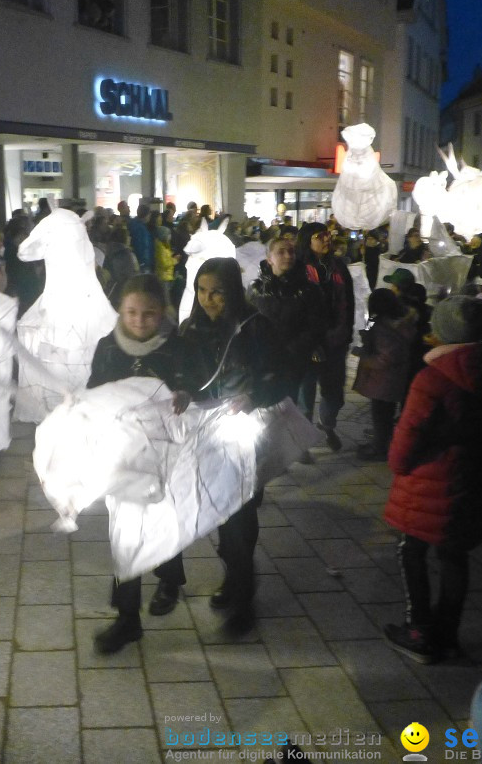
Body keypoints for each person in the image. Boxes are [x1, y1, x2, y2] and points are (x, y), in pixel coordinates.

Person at [383, 296, 482, 664]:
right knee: (454, 555)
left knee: (411, 551)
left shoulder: (433, 377)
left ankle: (419, 631)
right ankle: (448, 634)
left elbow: (408, 436)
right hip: (472, 481)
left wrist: (397, 464)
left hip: (430, 484)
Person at [87, 275, 192, 654]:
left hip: (166, 452)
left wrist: (183, 394)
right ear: (120, 310)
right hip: (123, 453)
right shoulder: (107, 347)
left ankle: (169, 575)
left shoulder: (176, 347)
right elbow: (94, 391)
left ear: (162, 313)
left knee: (165, 520)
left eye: (149, 314)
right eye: (131, 312)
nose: (139, 320)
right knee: (126, 532)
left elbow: (192, 385)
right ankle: (127, 617)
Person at [179, 258, 278, 634]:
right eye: (202, 291)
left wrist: (254, 395)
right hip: (207, 433)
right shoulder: (192, 329)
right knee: (220, 513)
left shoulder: (255, 327)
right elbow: (185, 374)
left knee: (240, 516)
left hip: (243, 432)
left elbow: (280, 373)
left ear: (233, 290)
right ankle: (233, 579)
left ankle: (244, 597)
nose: (208, 299)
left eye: (217, 291)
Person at [295, 222, 354, 451]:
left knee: (334, 393)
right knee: (305, 396)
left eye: (328, 236)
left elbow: (348, 301)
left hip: (336, 340)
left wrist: (347, 331)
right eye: (321, 236)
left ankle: (326, 425)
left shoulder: (338, 267)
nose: (327, 240)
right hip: (307, 343)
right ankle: (302, 442)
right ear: (308, 240)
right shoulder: (299, 269)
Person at [246, 236, 323, 403]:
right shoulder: (255, 289)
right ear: (269, 259)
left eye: (291, 252)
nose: (288, 256)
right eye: (281, 252)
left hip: (293, 364)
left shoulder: (308, 290)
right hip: (261, 363)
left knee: (290, 408)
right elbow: (247, 323)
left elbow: (315, 327)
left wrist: (290, 352)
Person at [352, 289, 416, 461]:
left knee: (380, 416)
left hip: (383, 380)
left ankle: (380, 449)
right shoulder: (401, 323)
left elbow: (386, 357)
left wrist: (364, 357)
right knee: (385, 416)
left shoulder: (382, 327)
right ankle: (381, 444)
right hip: (393, 379)